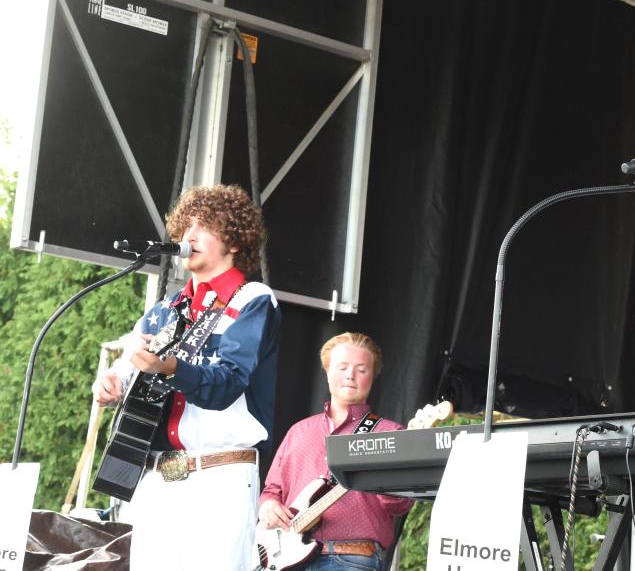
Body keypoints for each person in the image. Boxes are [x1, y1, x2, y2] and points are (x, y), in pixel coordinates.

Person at [92, 184, 281, 571]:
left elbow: (227, 383)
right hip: (156, 475)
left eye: (205, 226)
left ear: (233, 240)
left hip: (219, 475)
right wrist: (111, 382)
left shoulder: (254, 299)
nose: (188, 236)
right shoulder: (166, 309)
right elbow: (126, 369)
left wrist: (169, 367)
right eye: (186, 225)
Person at [258, 332, 413, 571]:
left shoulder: (389, 433)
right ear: (327, 371)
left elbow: (400, 505)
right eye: (342, 367)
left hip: (350, 559)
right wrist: (268, 506)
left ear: (373, 376)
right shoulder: (299, 431)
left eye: (361, 369)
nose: (351, 375)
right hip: (286, 558)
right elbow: (272, 491)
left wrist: (385, 480)